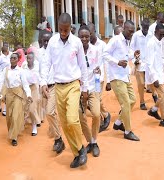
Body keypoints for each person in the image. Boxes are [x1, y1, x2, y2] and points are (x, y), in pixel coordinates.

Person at [40, 13, 88, 168]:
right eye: (60, 29)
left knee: (73, 119)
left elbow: (83, 66)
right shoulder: (53, 42)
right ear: (57, 27)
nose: (63, 32)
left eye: (66, 30)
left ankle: (80, 149)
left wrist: (85, 87)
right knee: (65, 123)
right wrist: (42, 81)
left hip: (73, 85)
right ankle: (78, 152)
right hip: (58, 86)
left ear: (70, 28)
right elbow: (46, 63)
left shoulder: (77, 43)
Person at [102, 20, 140, 141]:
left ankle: (118, 123)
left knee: (132, 100)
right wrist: (117, 62)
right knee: (125, 103)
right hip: (116, 77)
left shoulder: (127, 41)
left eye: (133, 32)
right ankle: (127, 131)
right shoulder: (115, 40)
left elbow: (125, 56)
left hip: (125, 76)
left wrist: (133, 55)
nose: (131, 34)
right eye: (130, 31)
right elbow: (105, 54)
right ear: (124, 28)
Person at [38, 31, 65, 155]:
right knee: (49, 114)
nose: (47, 42)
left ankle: (58, 139)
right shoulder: (38, 53)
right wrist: (42, 85)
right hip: (44, 86)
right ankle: (58, 137)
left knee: (50, 112)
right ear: (41, 40)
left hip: (56, 85)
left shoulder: (56, 51)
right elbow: (38, 71)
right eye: (44, 40)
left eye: (49, 40)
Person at [78, 25, 101, 157]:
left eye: (87, 36)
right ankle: (90, 142)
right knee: (81, 117)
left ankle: (94, 140)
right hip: (80, 90)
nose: (85, 39)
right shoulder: (75, 52)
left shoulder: (95, 50)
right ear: (78, 37)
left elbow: (97, 68)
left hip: (92, 88)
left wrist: (98, 89)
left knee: (97, 115)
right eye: (82, 36)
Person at [0, 53, 32, 145]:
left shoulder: (21, 71)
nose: (12, 59)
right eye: (11, 58)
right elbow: (0, 81)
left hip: (18, 95)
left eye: (14, 58)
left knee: (15, 115)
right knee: (9, 116)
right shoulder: (6, 70)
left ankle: (14, 137)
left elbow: (25, 84)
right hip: (9, 94)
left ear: (18, 60)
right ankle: (13, 131)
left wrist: (29, 94)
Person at [88, 23, 111, 132]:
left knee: (96, 98)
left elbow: (107, 63)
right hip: (88, 79)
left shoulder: (102, 45)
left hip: (98, 78)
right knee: (94, 100)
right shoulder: (85, 45)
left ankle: (105, 116)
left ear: (95, 32)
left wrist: (109, 80)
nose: (88, 36)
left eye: (90, 33)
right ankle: (105, 115)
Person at [146, 23, 164, 127]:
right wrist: (154, 78)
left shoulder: (159, 42)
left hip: (160, 73)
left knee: (163, 95)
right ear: (155, 32)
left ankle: (153, 110)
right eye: (161, 34)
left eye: (163, 34)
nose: (162, 36)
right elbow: (149, 63)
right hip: (155, 75)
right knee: (163, 95)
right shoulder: (151, 43)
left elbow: (160, 58)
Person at [130, 18, 152, 110]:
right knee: (141, 84)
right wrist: (134, 59)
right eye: (144, 26)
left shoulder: (151, 35)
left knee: (152, 83)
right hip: (139, 63)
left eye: (147, 26)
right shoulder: (136, 35)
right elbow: (131, 48)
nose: (146, 28)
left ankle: (154, 96)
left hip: (149, 63)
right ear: (141, 26)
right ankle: (142, 102)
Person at [23, 52, 41, 136]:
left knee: (32, 108)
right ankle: (23, 123)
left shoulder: (37, 67)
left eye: (30, 58)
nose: (29, 60)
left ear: (33, 59)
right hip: (25, 89)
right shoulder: (24, 66)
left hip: (34, 88)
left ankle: (34, 125)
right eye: (27, 58)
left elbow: (40, 78)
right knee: (25, 108)